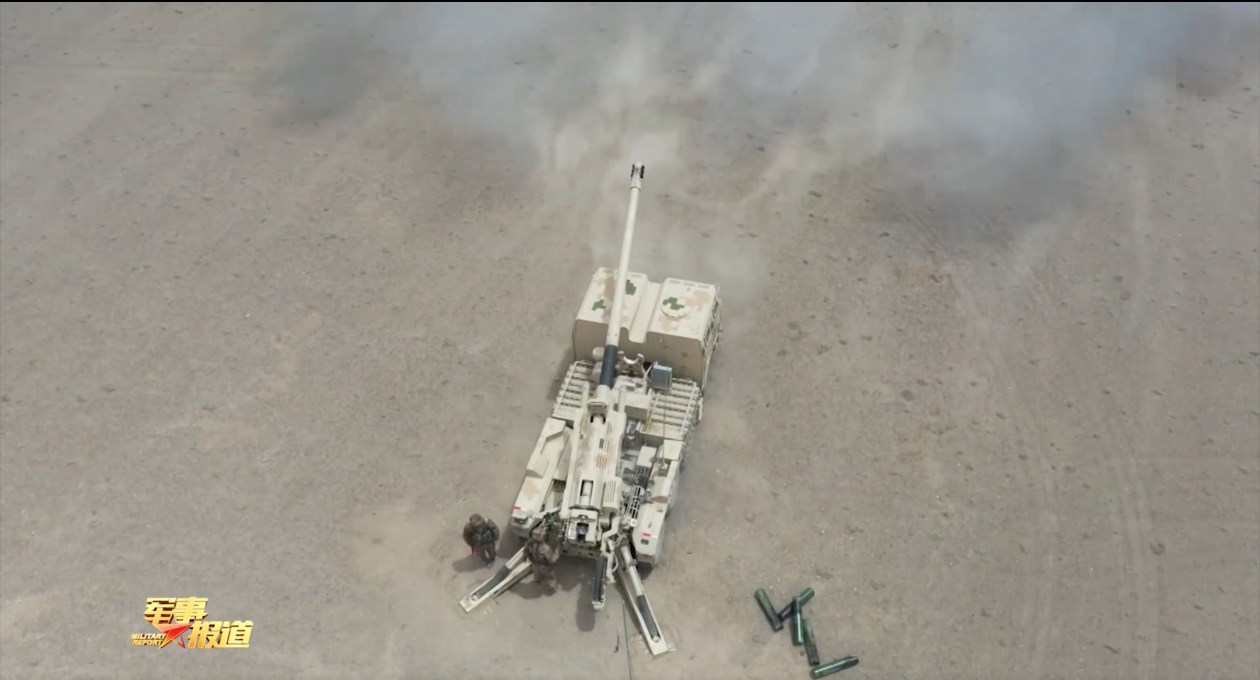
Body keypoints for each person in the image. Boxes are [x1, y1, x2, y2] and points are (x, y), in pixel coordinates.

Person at [525, 525, 560, 594]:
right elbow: (552, 560)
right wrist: (558, 551)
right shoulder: (545, 548)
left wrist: (527, 557)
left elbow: (526, 551)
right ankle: (552, 588)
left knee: (537, 573)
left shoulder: (529, 543)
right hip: (544, 566)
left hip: (535, 562)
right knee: (550, 577)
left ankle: (538, 580)